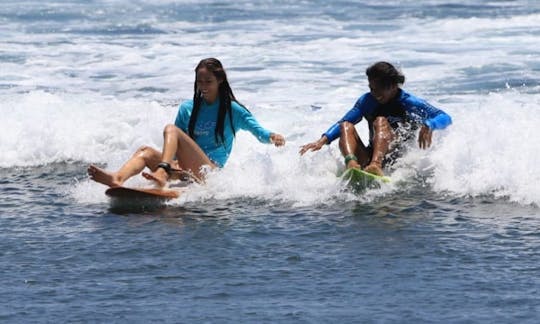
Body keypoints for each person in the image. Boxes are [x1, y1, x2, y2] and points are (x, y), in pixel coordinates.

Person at [88, 57, 286, 188]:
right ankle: (118, 178)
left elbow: (258, 131)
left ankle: (162, 172)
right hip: (183, 169)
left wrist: (273, 137)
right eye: (200, 82)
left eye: (208, 81)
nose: (203, 86)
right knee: (145, 152)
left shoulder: (232, 110)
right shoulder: (187, 108)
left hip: (209, 173)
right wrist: (173, 163)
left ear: (220, 81)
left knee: (170, 129)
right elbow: (173, 146)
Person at [299, 61, 451, 176]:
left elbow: (445, 117)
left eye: (379, 90)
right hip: (367, 158)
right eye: (371, 89)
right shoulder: (367, 101)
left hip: (396, 161)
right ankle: (351, 165)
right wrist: (322, 141)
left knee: (380, 121)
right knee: (346, 125)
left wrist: (430, 124)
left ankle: (376, 165)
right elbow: (344, 122)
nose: (374, 93)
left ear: (392, 86)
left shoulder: (410, 102)